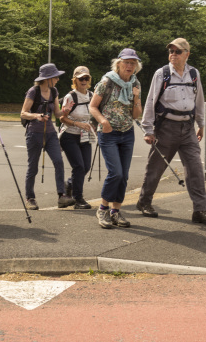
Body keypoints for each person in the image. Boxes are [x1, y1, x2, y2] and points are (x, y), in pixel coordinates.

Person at [138, 38, 206, 226]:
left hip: (188, 128)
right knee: (156, 167)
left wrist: (201, 124)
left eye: (177, 51)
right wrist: (148, 129)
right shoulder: (162, 73)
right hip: (166, 127)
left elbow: (199, 100)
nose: (173, 54)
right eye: (171, 51)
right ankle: (144, 202)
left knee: (195, 169)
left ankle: (200, 210)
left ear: (187, 54)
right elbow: (151, 100)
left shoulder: (194, 74)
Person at [88, 48, 143, 228]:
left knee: (124, 176)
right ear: (118, 63)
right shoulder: (107, 81)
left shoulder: (136, 83)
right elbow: (93, 107)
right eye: (126, 62)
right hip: (108, 133)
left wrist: (135, 97)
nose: (129, 66)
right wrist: (103, 121)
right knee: (116, 173)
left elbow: (136, 115)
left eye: (133, 63)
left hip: (127, 132)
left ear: (136, 66)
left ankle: (115, 212)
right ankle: (103, 209)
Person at [21, 63, 75, 210]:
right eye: (55, 76)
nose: (57, 79)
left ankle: (62, 196)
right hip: (34, 134)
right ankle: (30, 198)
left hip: (50, 133)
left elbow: (57, 113)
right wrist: (37, 116)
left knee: (59, 161)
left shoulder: (54, 91)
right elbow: (23, 113)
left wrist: (66, 111)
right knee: (33, 167)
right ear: (47, 78)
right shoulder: (33, 91)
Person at [59, 66, 95, 209]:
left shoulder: (92, 96)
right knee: (79, 166)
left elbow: (94, 114)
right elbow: (62, 118)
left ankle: (69, 184)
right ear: (75, 80)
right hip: (69, 135)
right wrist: (77, 123)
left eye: (86, 78)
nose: (84, 81)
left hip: (85, 136)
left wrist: (94, 126)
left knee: (86, 166)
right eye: (81, 78)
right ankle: (78, 199)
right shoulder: (70, 97)